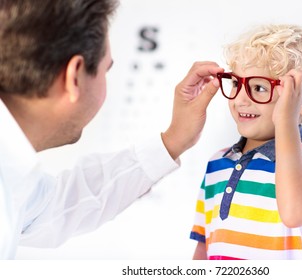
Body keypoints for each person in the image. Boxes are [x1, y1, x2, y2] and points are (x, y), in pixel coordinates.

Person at [0, 0, 223, 259]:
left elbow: (57, 206)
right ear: (74, 77)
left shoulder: (12, 176)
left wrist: (172, 141)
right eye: (107, 70)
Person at [190, 24, 302, 260]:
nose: (240, 99)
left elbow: (295, 214)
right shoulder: (218, 162)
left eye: (259, 87)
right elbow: (204, 246)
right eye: (236, 84)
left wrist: (285, 122)